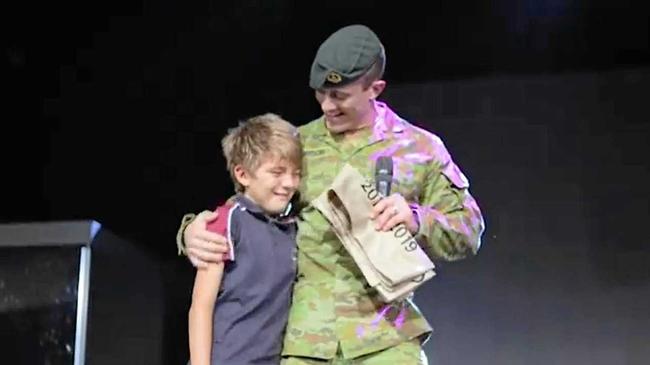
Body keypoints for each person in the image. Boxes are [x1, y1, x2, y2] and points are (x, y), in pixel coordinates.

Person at [179, 24, 485, 364]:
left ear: (375, 89)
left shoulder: (420, 148)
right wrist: (191, 231)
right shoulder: (297, 144)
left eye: (339, 96)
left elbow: (469, 231)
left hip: (385, 337)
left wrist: (415, 218)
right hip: (306, 341)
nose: (327, 106)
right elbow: (247, 205)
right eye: (320, 93)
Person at [187, 113, 302, 365]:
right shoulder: (227, 221)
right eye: (277, 172)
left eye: (296, 173)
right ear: (243, 174)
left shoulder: (292, 227)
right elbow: (201, 306)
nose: (289, 183)